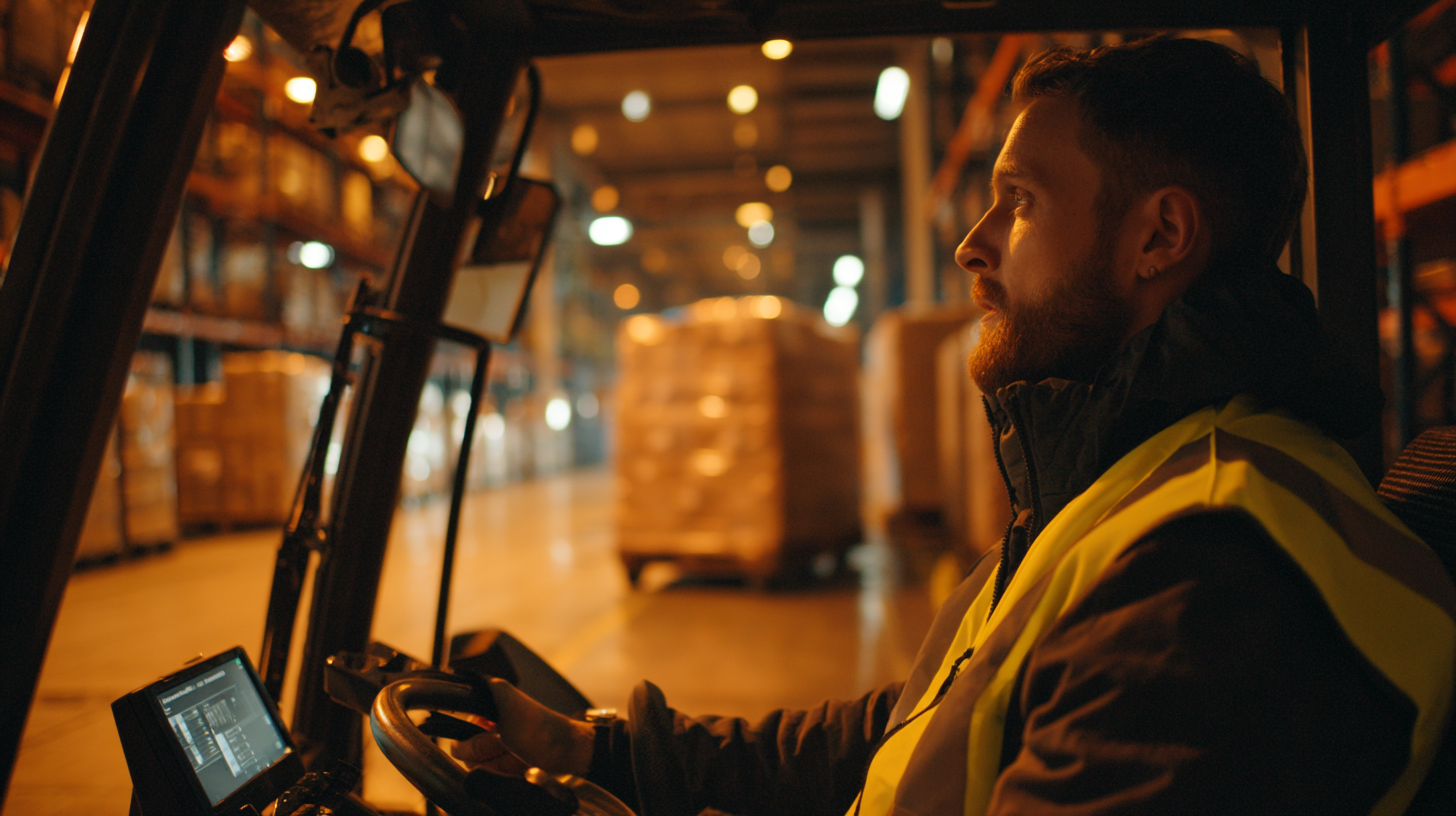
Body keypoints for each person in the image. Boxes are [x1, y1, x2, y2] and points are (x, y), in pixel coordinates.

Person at [455, 37, 1456, 815]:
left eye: (1017, 204)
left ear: (1159, 236)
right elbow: (917, 726)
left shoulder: (1209, 583)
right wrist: (603, 754)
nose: (974, 248)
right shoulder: (1131, 482)